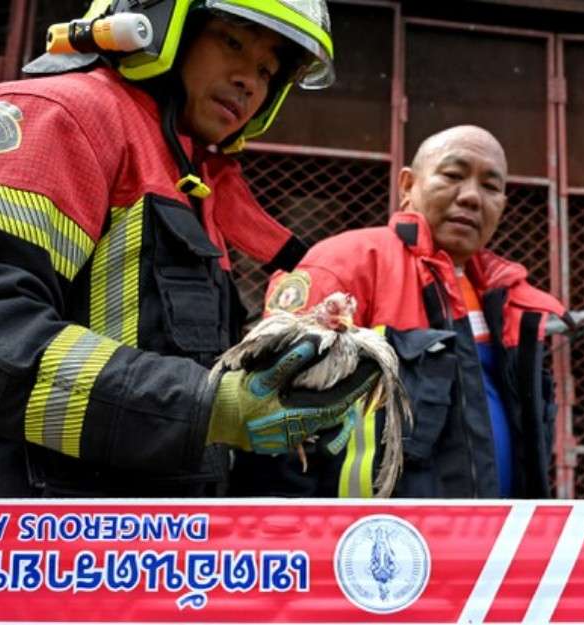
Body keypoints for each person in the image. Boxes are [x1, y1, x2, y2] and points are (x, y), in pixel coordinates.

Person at [0, 0, 377, 498]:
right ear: (157, 19)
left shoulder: (190, 182)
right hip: (28, 548)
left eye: (268, 70)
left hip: (143, 547)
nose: (251, 81)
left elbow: (174, 363)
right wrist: (210, 406)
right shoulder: (61, 115)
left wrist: (284, 381)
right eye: (233, 43)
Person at [230, 125, 565, 498]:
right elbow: (272, 420)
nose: (472, 197)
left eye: (490, 187)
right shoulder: (348, 264)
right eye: (453, 175)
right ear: (407, 186)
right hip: (379, 546)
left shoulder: (511, 302)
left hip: (495, 545)